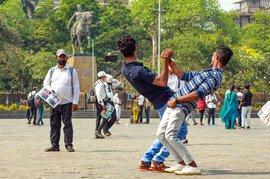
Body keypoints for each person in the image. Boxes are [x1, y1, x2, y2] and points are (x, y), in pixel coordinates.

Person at [156, 46, 233, 175]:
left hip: (181, 105)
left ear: (217, 57)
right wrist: (169, 60)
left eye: (213, 54)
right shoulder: (207, 72)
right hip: (175, 103)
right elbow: (183, 75)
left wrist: (177, 100)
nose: (212, 56)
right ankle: (180, 163)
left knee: (170, 135)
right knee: (161, 134)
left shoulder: (216, 76)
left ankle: (192, 165)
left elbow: (198, 93)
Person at [118, 36, 186, 172]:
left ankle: (147, 159)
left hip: (159, 101)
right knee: (180, 131)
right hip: (165, 100)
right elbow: (162, 82)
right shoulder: (139, 70)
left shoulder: (125, 68)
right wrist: (166, 61)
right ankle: (157, 159)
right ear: (135, 49)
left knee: (165, 133)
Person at [43, 49, 80, 152]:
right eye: (60, 57)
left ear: (66, 58)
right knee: (54, 124)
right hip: (54, 102)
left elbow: (76, 86)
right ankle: (54, 145)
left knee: (67, 124)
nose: (62, 58)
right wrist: (50, 90)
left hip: (67, 102)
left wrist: (75, 102)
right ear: (56, 58)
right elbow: (45, 83)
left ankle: (68, 144)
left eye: (63, 57)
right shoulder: (51, 71)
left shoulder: (72, 71)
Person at [94, 71, 108, 139]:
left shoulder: (99, 83)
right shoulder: (100, 84)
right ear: (102, 77)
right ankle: (98, 130)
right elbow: (99, 95)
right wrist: (103, 105)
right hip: (101, 102)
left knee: (99, 117)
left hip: (99, 102)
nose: (106, 78)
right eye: (105, 76)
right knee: (106, 116)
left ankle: (97, 132)